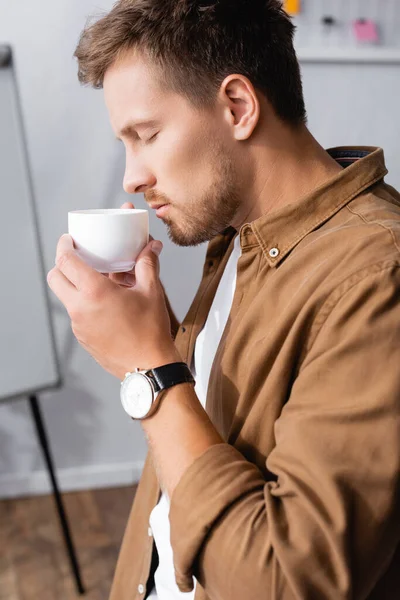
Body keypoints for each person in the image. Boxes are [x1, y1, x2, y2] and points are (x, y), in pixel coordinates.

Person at [49, 1, 399, 598]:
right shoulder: (240, 235)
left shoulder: (376, 278)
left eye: (147, 134)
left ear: (238, 107)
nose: (132, 177)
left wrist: (150, 371)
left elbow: (286, 580)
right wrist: (157, 342)